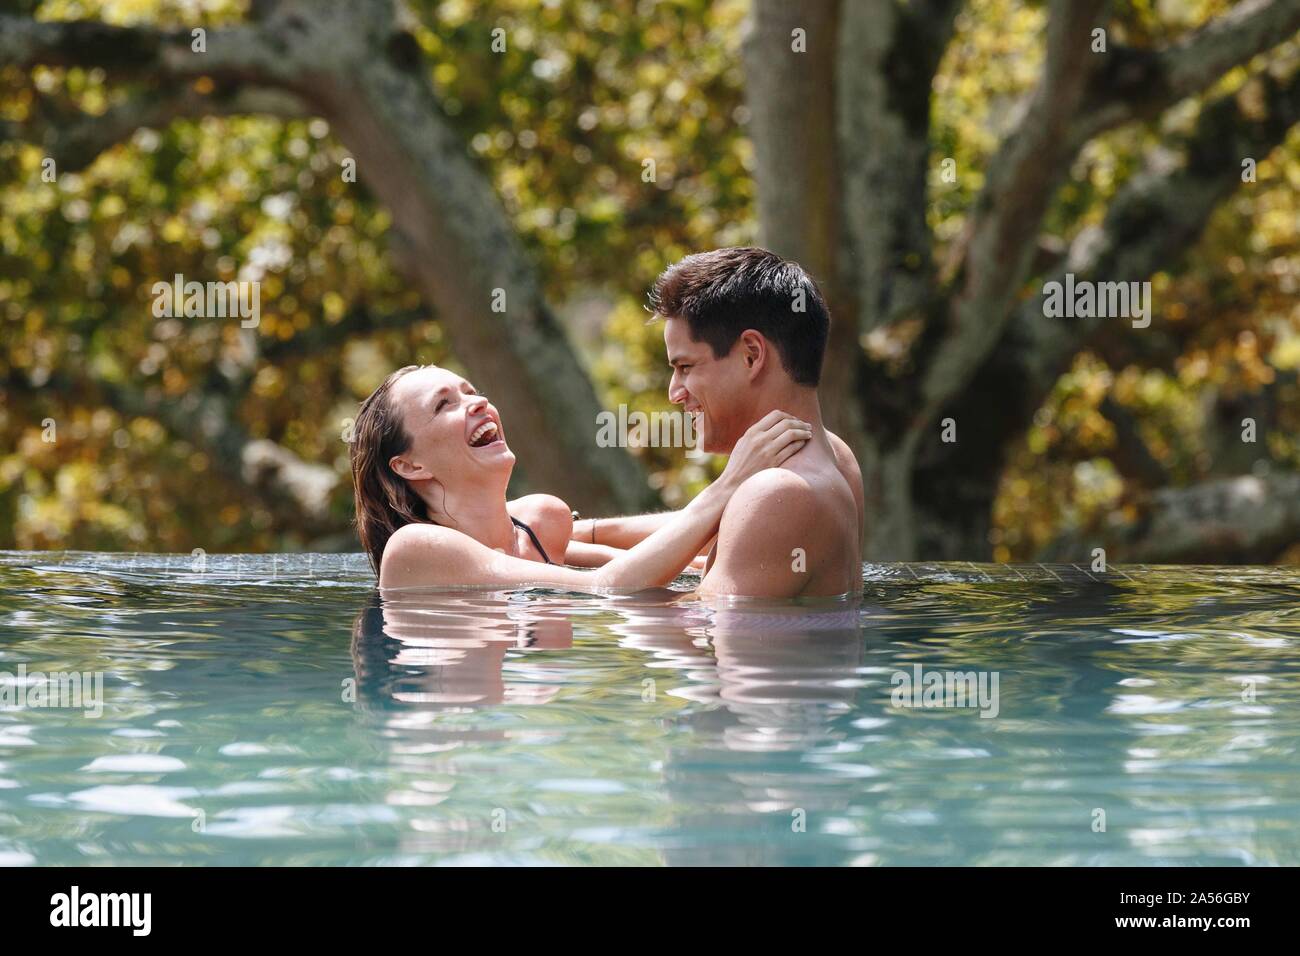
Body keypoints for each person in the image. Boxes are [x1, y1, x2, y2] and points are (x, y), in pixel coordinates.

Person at [349, 363, 809, 590]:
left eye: (470, 391)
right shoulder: (415, 549)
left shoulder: (537, 528)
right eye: (443, 404)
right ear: (410, 466)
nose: (478, 402)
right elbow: (607, 589)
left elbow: (669, 559)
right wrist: (730, 483)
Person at [573, 247, 864, 599]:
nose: (674, 393)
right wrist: (580, 535)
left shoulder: (779, 492)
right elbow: (725, 526)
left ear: (751, 355)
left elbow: (691, 630)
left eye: (685, 367)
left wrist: (533, 582)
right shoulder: (836, 458)